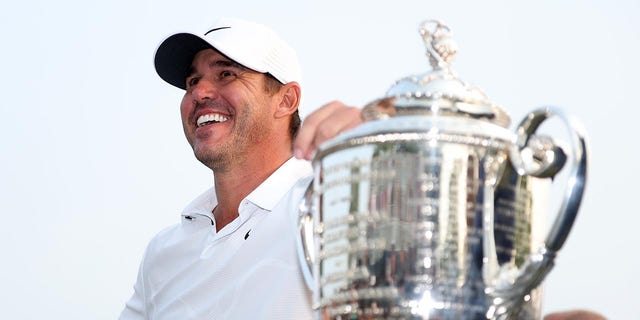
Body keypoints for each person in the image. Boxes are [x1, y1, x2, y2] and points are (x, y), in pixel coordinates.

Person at [120, 17, 605, 320]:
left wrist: (380, 149)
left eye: (226, 73)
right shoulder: (164, 252)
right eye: (192, 80)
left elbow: (445, 251)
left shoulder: (334, 199)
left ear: (286, 99)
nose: (200, 92)